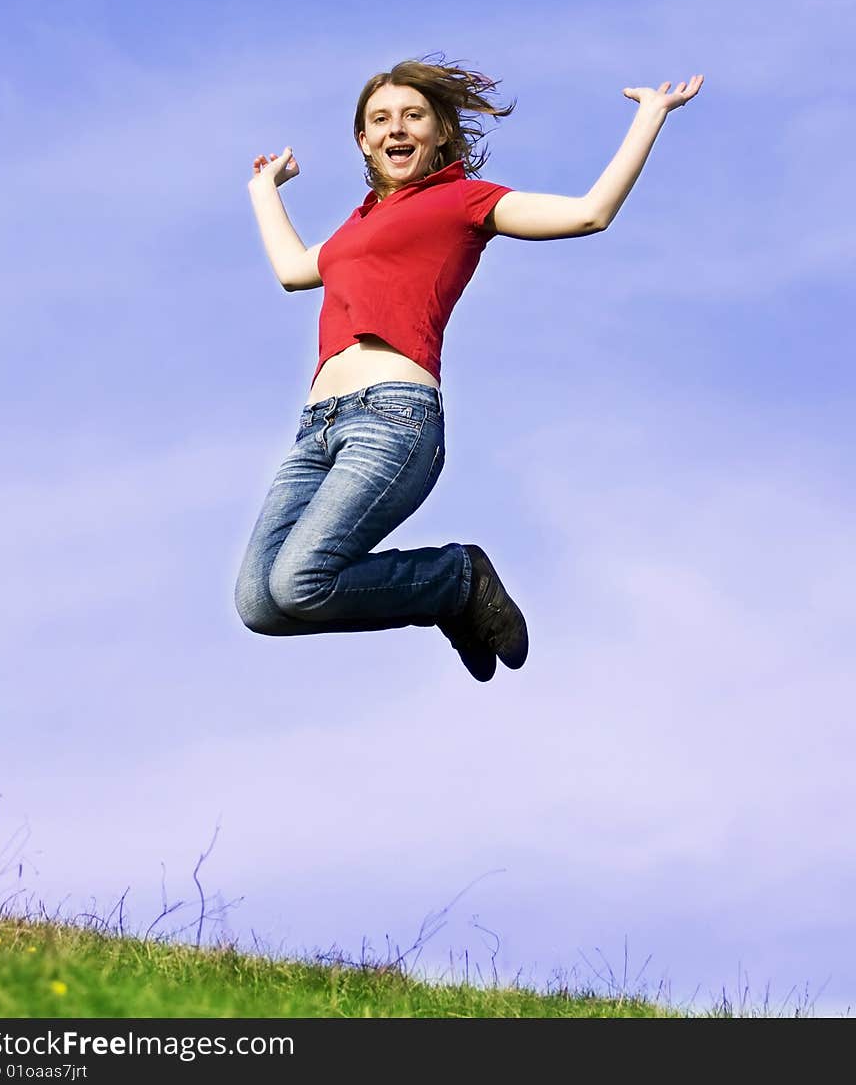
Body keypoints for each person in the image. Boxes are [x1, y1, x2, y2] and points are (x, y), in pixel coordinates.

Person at [234, 55, 703, 682]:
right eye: (380, 119)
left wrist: (650, 117)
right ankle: (448, 594)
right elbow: (296, 271)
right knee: (259, 603)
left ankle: (455, 579)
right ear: (363, 140)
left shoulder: (463, 201)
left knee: (298, 583)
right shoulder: (357, 226)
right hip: (316, 429)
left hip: (391, 420)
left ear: (439, 133)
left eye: (412, 116)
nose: (396, 128)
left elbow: (589, 213)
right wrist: (264, 192)